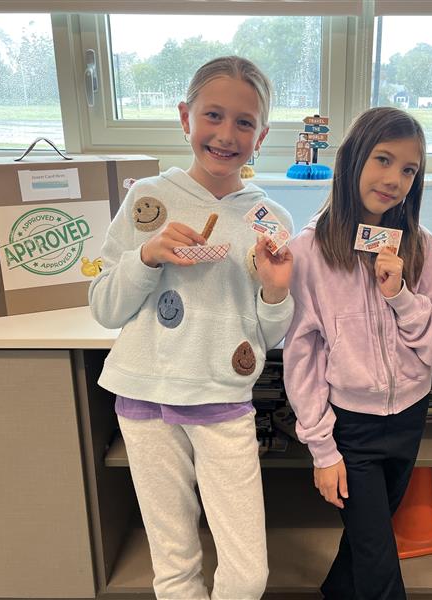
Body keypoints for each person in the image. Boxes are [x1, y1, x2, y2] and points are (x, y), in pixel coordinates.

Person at [89, 56, 294, 600]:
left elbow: (270, 333)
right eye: (213, 115)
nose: (226, 134)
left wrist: (276, 290)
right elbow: (105, 308)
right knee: (174, 565)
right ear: (186, 117)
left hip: (222, 397)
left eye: (244, 122)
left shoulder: (270, 219)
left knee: (246, 573)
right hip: (143, 394)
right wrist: (148, 256)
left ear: (262, 135)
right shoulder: (147, 198)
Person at [283, 106, 432, 599]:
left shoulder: (422, 248)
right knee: (378, 557)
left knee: (370, 535)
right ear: (352, 161)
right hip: (351, 428)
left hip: (408, 418)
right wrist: (323, 449)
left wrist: (401, 296)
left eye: (409, 169)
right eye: (383, 160)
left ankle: (335, 593)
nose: (395, 179)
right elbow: (301, 359)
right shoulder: (309, 254)